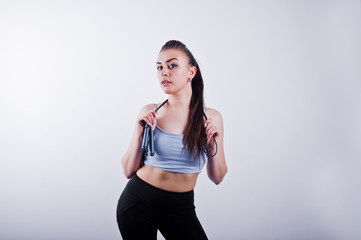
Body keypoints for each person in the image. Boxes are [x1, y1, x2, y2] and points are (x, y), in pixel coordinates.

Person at [116, 40, 227, 240]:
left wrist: (212, 147)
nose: (164, 72)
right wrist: (140, 133)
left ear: (191, 72)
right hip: (137, 203)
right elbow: (127, 171)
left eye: (172, 65)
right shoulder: (150, 111)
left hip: (180, 209)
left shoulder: (211, 118)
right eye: (159, 67)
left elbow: (217, 177)